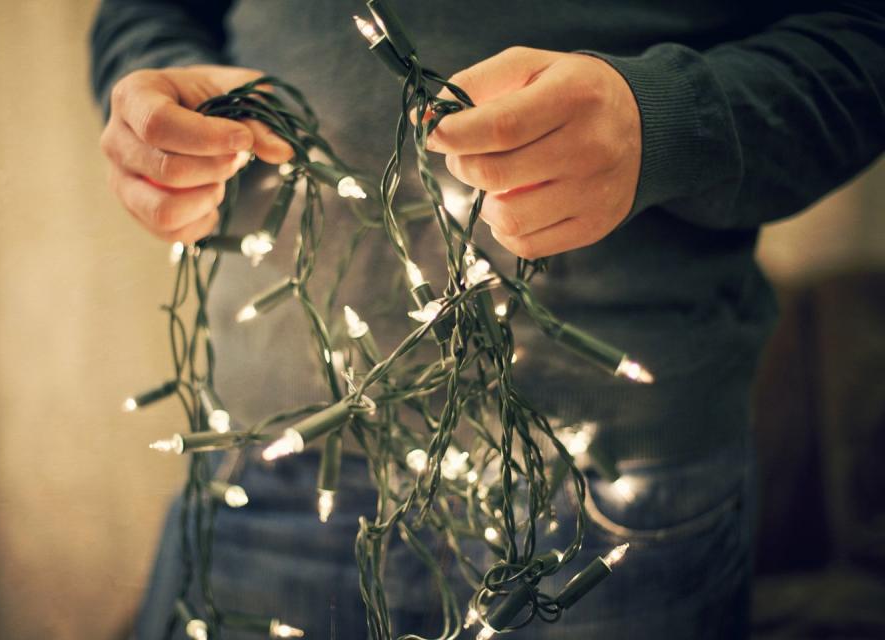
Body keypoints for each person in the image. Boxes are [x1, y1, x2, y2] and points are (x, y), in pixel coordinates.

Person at [90, 1, 885, 638]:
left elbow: (859, 38)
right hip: (265, 459)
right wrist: (146, 88)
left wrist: (664, 120)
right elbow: (150, 12)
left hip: (606, 494)